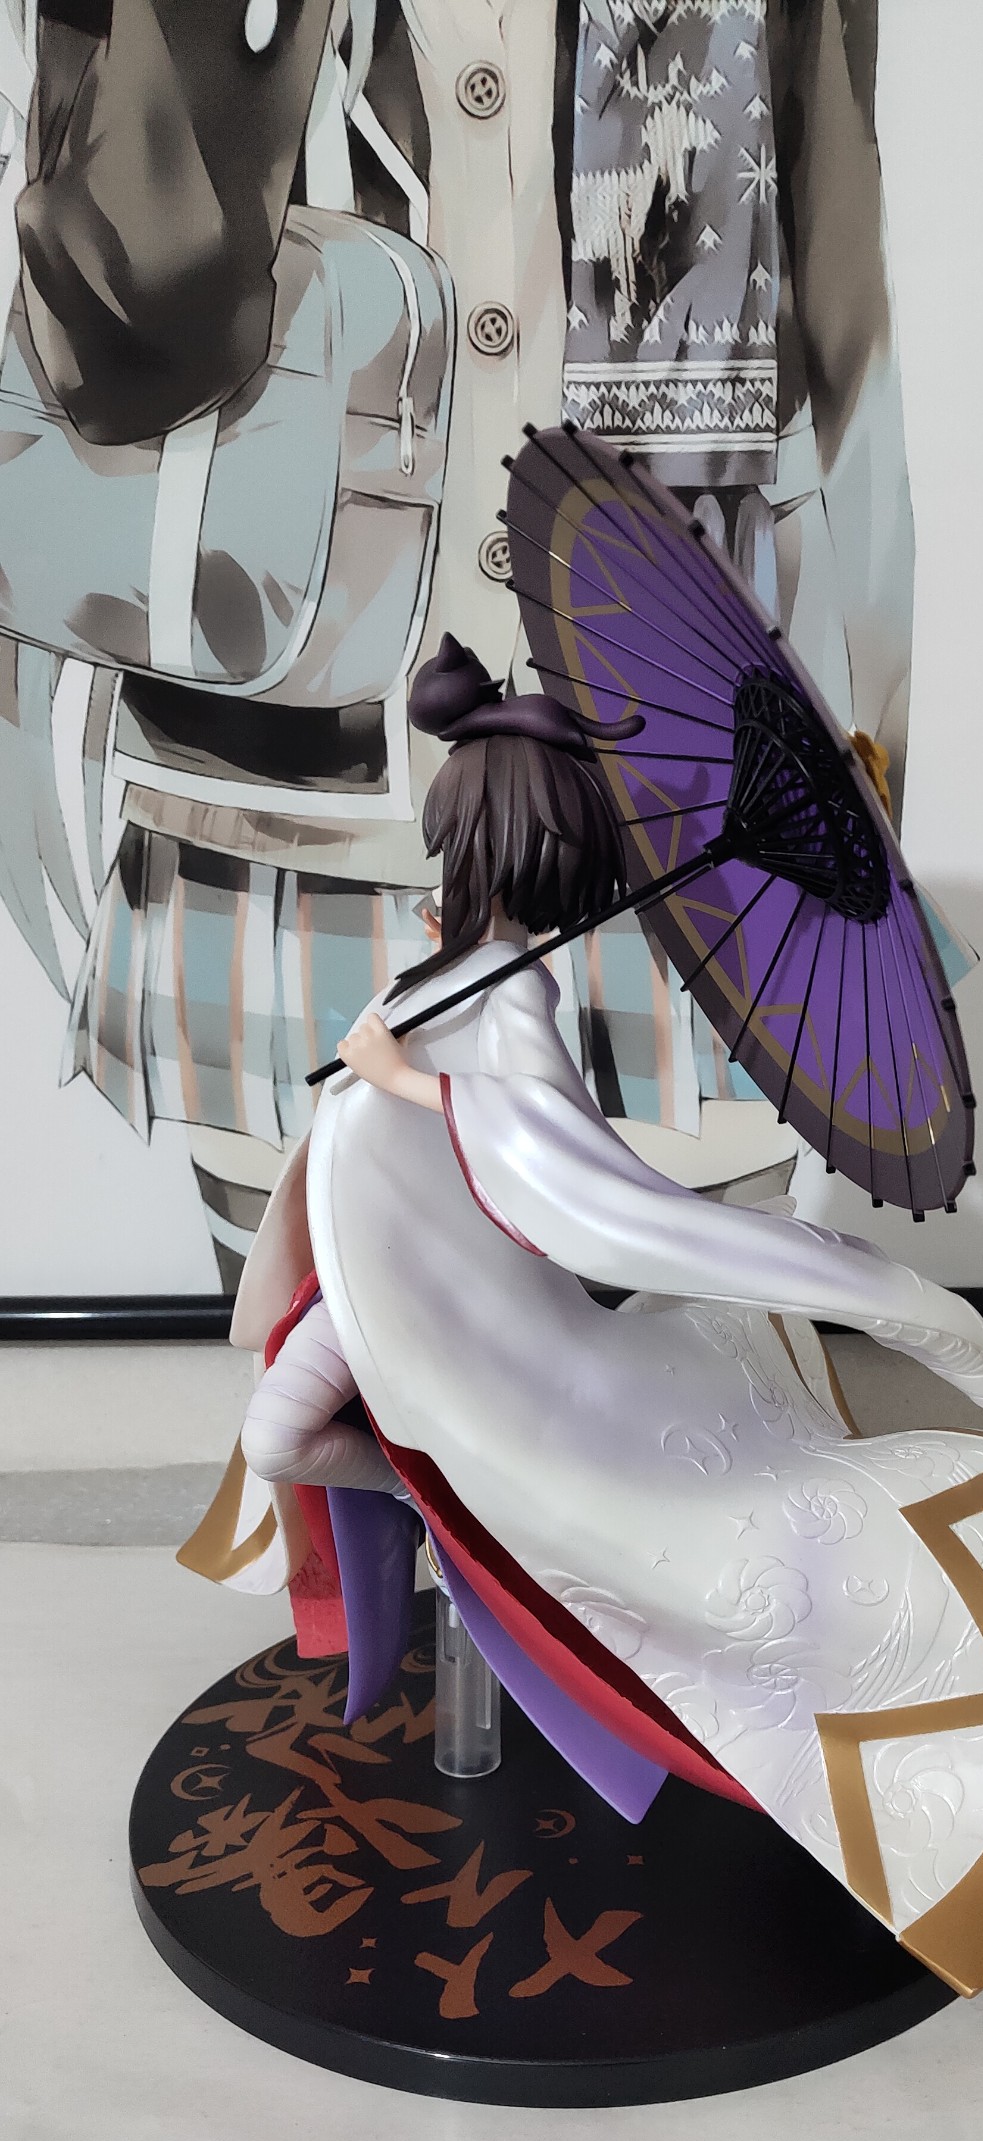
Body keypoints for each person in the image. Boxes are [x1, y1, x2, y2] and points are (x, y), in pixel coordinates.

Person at [223, 636, 983, 1999]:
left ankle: (446, 1497)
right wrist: (407, 1036)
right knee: (277, 1437)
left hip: (473, 1327)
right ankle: (430, 1497)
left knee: (302, 1440)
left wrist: (406, 1080)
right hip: (393, 1296)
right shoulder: (463, 968)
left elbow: (556, 1175)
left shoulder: (513, 992)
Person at [0, 0, 916, 1284]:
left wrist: (867, 755)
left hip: (684, 809)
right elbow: (106, 336)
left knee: (692, 1367)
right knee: (328, 1352)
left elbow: (843, 351)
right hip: (279, 818)